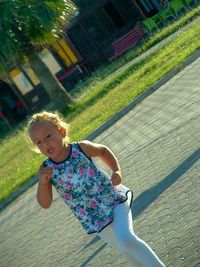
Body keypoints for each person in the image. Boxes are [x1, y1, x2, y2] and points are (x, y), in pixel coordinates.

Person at [27, 111, 165, 267]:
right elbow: (45, 203)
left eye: (48, 136)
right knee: (124, 248)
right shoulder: (46, 169)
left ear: (62, 131)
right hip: (93, 217)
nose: (45, 144)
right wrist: (43, 183)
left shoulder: (80, 148)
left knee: (125, 239)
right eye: (38, 142)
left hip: (113, 199)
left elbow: (103, 151)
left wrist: (116, 170)